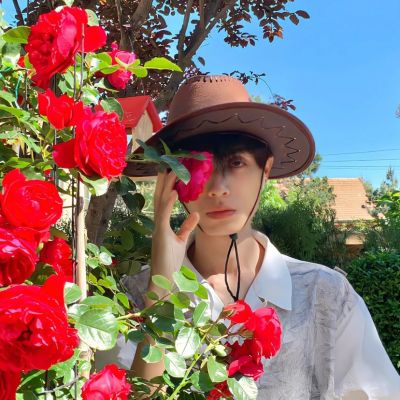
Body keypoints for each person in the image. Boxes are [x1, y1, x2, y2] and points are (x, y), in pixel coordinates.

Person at [98, 75, 400, 399]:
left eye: (236, 162)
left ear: (265, 170)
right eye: (197, 167)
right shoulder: (133, 300)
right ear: (170, 179)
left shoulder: (325, 296)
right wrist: (160, 295)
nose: (217, 188)